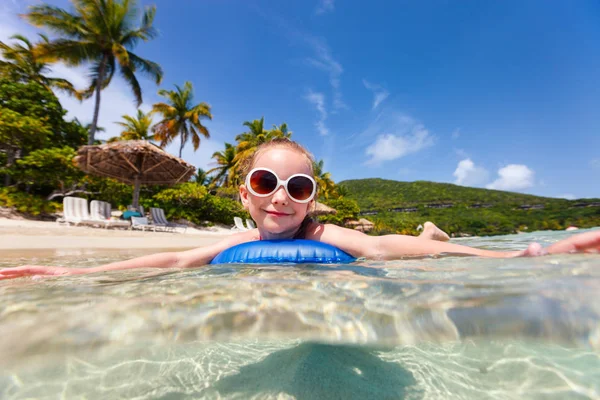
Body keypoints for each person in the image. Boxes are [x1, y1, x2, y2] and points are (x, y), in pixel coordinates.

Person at [1, 138, 599, 280]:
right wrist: (73, 273)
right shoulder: (238, 243)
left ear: (313, 199)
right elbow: (177, 256)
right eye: (266, 181)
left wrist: (526, 251)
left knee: (426, 244)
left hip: (406, 245)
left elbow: (386, 248)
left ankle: (436, 229)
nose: (281, 195)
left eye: (298, 187)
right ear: (246, 195)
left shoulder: (324, 231)